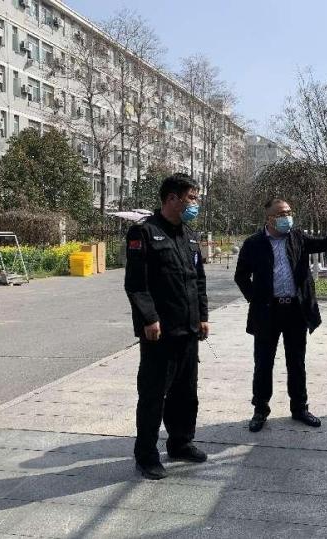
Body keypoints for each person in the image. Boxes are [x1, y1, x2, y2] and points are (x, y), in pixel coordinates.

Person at [235, 198, 327, 432]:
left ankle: (299, 408)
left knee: (296, 362)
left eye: (289, 212)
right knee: (263, 363)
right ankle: (260, 409)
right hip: (268, 312)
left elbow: (324, 243)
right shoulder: (253, 243)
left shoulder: (297, 238)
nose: (287, 217)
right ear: (269, 219)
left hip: (295, 310)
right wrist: (256, 299)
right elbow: (241, 276)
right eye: (281, 214)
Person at [124, 174, 210, 480]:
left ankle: (180, 443)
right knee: (153, 395)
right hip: (159, 332)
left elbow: (198, 280)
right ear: (172, 198)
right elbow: (136, 283)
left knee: (186, 393)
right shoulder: (144, 232)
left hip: (188, 329)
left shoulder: (189, 235)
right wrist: (149, 318)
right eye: (191, 198)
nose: (195, 204)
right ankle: (146, 456)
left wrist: (202, 316)